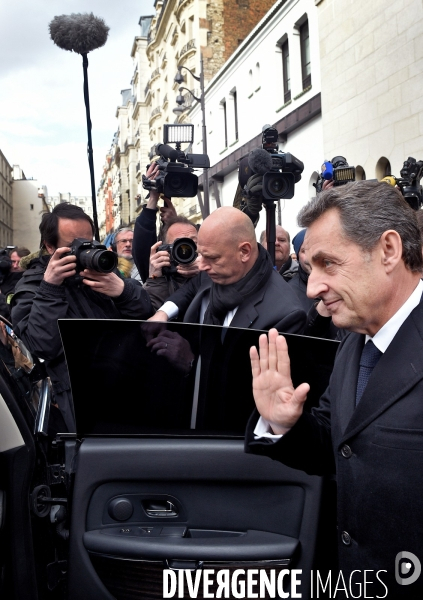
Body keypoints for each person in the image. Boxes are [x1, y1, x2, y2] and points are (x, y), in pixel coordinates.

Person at [246, 180, 423, 597]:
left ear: (388, 251)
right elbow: (345, 446)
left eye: (329, 264)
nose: (312, 290)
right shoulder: (354, 340)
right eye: (309, 270)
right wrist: (285, 424)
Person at [11, 203, 152, 431]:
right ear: (49, 246)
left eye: (88, 242)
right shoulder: (32, 285)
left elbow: (145, 311)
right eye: (73, 245)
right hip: (82, 398)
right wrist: (51, 288)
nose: (84, 250)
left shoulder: (102, 268)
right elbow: (41, 345)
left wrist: (123, 292)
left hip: (131, 381)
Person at [150, 206, 306, 333]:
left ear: (244, 252)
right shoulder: (216, 271)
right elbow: (189, 290)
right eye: (200, 255)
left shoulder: (285, 315)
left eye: (213, 258)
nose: (201, 266)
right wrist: (163, 313)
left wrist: (188, 360)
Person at [133, 162, 178, 283]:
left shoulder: (205, 276)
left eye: (194, 241)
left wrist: (174, 223)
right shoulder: (158, 274)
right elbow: (143, 248)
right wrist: (153, 197)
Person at [144, 216, 199, 311]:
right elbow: (154, 317)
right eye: (179, 244)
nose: (185, 249)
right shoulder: (161, 277)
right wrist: (155, 278)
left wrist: (206, 274)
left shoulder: (211, 272)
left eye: (192, 242)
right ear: (165, 249)